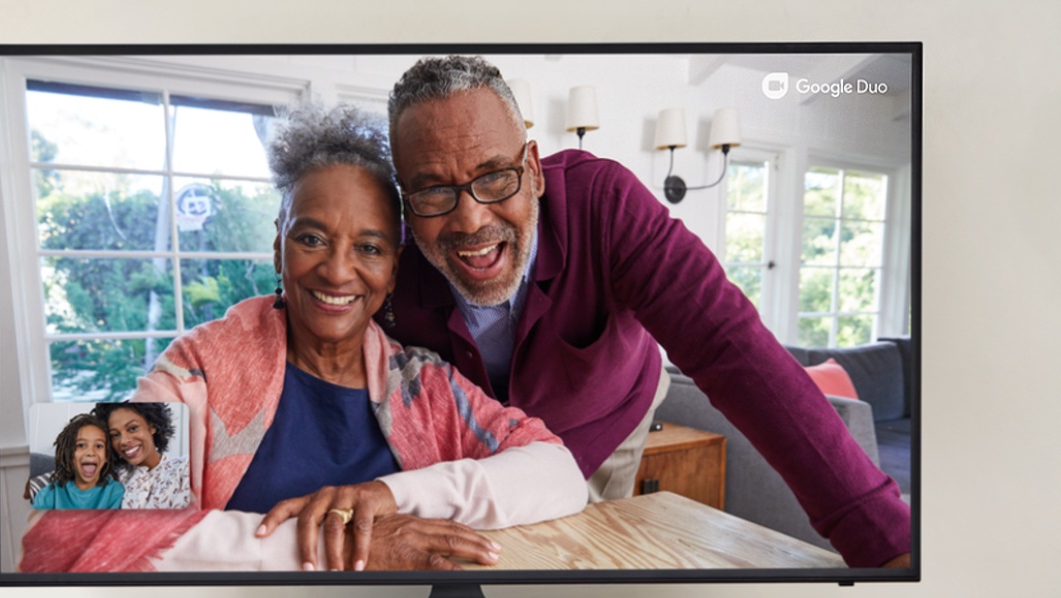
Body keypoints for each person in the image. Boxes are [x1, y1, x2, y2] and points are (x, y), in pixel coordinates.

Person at [382, 55, 911, 569]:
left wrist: (884, 542)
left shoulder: (605, 204)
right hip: (475, 445)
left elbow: (732, 348)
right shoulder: (389, 262)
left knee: (586, 548)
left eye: (496, 176)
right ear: (406, 204)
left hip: (608, 412)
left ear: (535, 170)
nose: (471, 220)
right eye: (433, 190)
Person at [18, 104, 587, 574]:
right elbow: (63, 527)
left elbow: (560, 475)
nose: (338, 272)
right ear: (278, 246)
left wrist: (389, 497)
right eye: (312, 238)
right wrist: (336, 547)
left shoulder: (422, 381)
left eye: (368, 247)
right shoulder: (201, 364)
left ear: (393, 267)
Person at [93, 402, 191, 510]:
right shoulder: (110, 480)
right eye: (115, 435)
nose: (123, 441)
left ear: (152, 426)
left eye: (132, 428)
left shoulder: (185, 469)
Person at [31, 413, 124, 510]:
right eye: (81, 445)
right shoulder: (50, 494)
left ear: (107, 456)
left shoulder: (115, 492)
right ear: (69, 454)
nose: (90, 452)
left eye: (99, 446)